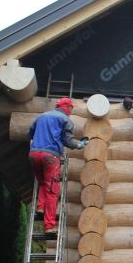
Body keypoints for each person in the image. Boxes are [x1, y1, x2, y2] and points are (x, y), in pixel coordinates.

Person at [28, 97, 87, 234]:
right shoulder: (65, 120)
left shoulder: (41, 116)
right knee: (53, 191)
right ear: (67, 108)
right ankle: (49, 226)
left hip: (33, 155)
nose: (71, 111)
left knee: (43, 182)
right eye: (71, 108)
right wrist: (80, 145)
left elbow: (29, 134)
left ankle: (40, 207)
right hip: (50, 156)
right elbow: (68, 141)